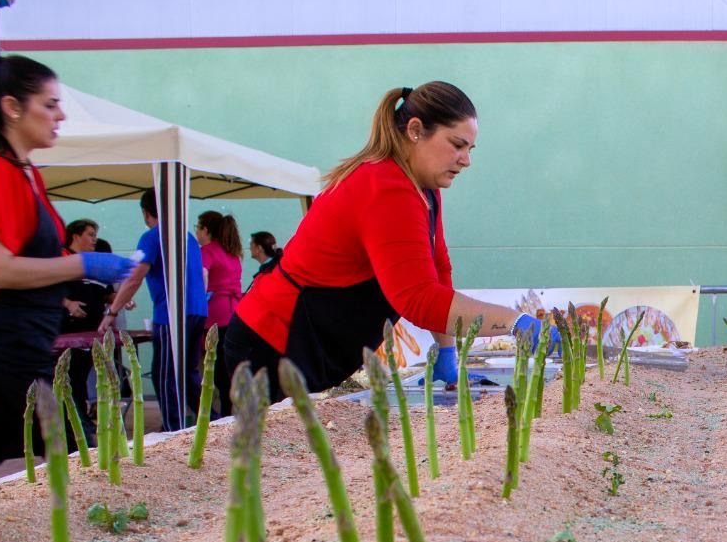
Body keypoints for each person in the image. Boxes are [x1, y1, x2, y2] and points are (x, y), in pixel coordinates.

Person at [225, 82, 548, 399]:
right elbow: (418, 298)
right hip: (273, 342)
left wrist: (447, 353)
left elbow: (438, 269)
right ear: (416, 130)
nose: (466, 160)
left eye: (470, 149)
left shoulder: (424, 189)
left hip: (305, 342)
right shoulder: (385, 187)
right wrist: (515, 322)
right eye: (457, 145)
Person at [0, 55, 134, 504]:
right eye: (50, 105)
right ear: (12, 107)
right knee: (76, 439)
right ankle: (124, 525)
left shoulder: (20, 171)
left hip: (2, 331)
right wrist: (82, 266)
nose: (61, 115)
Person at [100, 189, 208, 431]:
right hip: (197, 310)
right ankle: (210, 420)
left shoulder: (152, 236)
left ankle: (173, 428)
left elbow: (134, 277)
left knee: (165, 374)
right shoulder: (186, 236)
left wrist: (112, 311)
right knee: (188, 373)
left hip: (171, 313)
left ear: (146, 213)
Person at [59, 218, 111, 439]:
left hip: (93, 334)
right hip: (67, 333)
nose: (94, 240)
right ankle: (77, 425)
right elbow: (47, 289)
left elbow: (105, 292)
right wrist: (69, 304)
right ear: (76, 236)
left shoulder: (93, 263)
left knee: (79, 378)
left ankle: (81, 423)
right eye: (90, 234)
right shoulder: (61, 259)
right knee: (69, 378)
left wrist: (121, 300)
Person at [196, 210, 243, 416]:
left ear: (206, 229)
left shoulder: (207, 250)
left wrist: (199, 295)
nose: (196, 232)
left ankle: (222, 413)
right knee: (229, 365)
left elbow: (203, 273)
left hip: (215, 314)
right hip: (234, 312)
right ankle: (230, 409)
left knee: (216, 368)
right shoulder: (232, 252)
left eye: (198, 227)